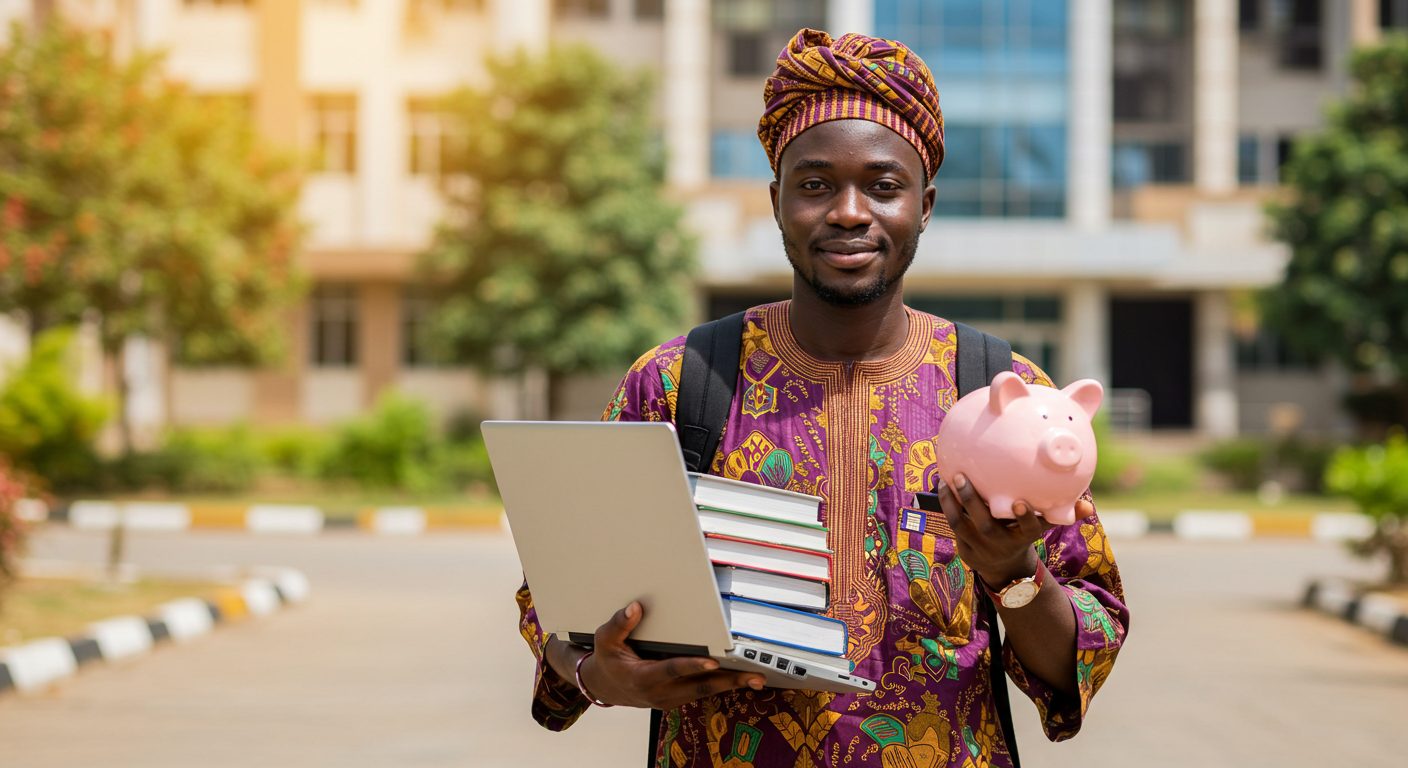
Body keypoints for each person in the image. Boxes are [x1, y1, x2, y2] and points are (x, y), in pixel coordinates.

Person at [516, 28, 1129, 767]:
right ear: (777, 201)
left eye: (882, 185)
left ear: (924, 204)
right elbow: (561, 598)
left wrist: (1011, 575)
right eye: (814, 185)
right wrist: (593, 670)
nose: (847, 211)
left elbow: (1081, 653)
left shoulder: (1003, 396)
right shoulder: (678, 383)